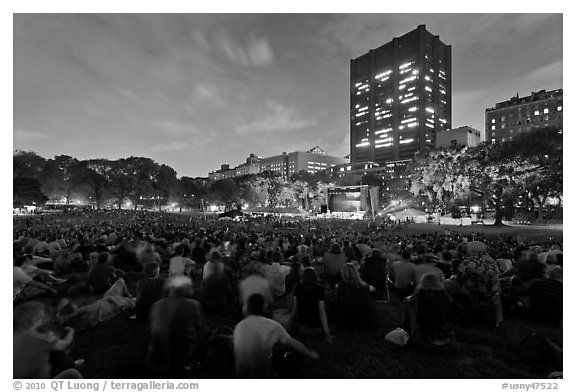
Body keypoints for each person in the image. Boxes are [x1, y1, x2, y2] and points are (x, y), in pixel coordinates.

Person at [233, 293, 319, 378]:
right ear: (264, 308)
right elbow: (293, 343)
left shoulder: (239, 326)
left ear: (246, 308)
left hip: (240, 375)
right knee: (294, 353)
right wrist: (310, 353)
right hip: (264, 374)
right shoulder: (272, 325)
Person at [147, 276, 208, 374]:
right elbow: (201, 330)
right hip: (183, 359)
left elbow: (151, 331)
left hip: (155, 359)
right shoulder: (194, 305)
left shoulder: (156, 305)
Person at [14, 302, 82, 379]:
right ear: (35, 320)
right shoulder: (40, 338)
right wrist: (71, 331)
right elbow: (64, 344)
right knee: (73, 374)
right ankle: (71, 364)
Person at [403, 273, 455, 348]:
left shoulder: (417, 297)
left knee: (409, 303)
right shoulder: (446, 297)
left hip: (425, 340)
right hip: (447, 339)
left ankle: (407, 333)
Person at [289, 267, 333, 342]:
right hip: (315, 323)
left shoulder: (298, 288)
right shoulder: (320, 289)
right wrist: (327, 334)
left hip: (302, 321)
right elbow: (322, 311)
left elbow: (294, 309)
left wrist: (289, 324)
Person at [335, 263, 377, 329]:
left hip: (346, 320)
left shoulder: (340, 285)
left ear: (343, 273)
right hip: (365, 320)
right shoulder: (363, 285)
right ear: (356, 272)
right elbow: (373, 289)